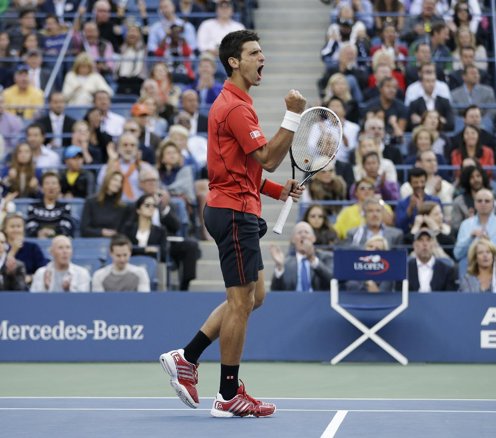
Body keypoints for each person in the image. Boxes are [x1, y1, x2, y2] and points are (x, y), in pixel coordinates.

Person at [159, 30, 305, 418]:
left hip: (239, 206)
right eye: (255, 53)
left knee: (254, 298)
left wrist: (276, 191)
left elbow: (243, 169)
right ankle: (227, 395)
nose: (263, 58)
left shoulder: (236, 103)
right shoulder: (236, 108)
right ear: (234, 62)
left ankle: (187, 357)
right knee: (241, 302)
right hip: (235, 213)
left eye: (263, 52)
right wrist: (293, 114)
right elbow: (269, 157)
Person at [454, 189, 496, 269]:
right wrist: (470, 238)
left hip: (495, 262)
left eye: (487, 201)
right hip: (472, 262)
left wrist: (489, 242)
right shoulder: (465, 224)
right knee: (463, 263)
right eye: (479, 201)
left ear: (493, 204)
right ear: (475, 203)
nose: (483, 204)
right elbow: (457, 254)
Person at [269, 221, 334, 292]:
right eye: (299, 232)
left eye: (306, 232)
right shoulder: (286, 263)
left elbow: (333, 281)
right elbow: (274, 290)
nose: (303, 235)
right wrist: (279, 267)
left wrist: (312, 259)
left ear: (313, 238)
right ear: (293, 239)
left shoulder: (326, 257)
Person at [25, 172, 76, 238]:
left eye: (54, 183)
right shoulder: (33, 207)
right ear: (42, 188)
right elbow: (30, 226)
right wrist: (40, 232)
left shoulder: (65, 207)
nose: (51, 186)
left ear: (59, 188)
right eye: (47, 183)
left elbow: (66, 226)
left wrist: (54, 232)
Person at [80, 170, 129, 238]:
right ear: (107, 181)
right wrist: (102, 232)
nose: (118, 184)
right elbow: (84, 229)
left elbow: (122, 231)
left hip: (114, 242)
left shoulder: (122, 207)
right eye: (115, 180)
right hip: (93, 241)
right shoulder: (91, 202)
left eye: (120, 182)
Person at [2, 213, 48, 285]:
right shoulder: (1, 247)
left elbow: (43, 270)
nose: (16, 229)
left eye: (19, 226)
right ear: (5, 229)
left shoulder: (33, 248)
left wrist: (31, 278)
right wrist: (13, 251)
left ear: (23, 228)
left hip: (30, 286)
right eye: (12, 226)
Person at [408, 227, 457, 292]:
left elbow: (450, 298)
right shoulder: (405, 270)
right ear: (414, 245)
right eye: (420, 240)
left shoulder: (447, 270)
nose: (424, 244)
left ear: (434, 244)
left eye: (428, 240)